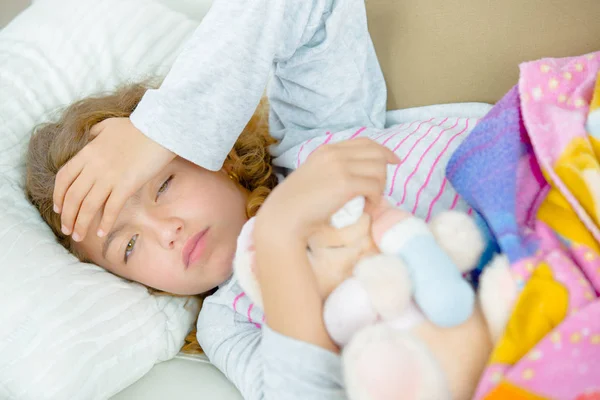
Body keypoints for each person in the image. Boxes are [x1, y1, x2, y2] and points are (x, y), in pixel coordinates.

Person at [27, 0, 490, 398]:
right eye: (128, 248)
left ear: (216, 157)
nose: (166, 231)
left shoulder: (317, 132)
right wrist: (278, 235)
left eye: (163, 184)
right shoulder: (229, 321)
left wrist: (161, 129)